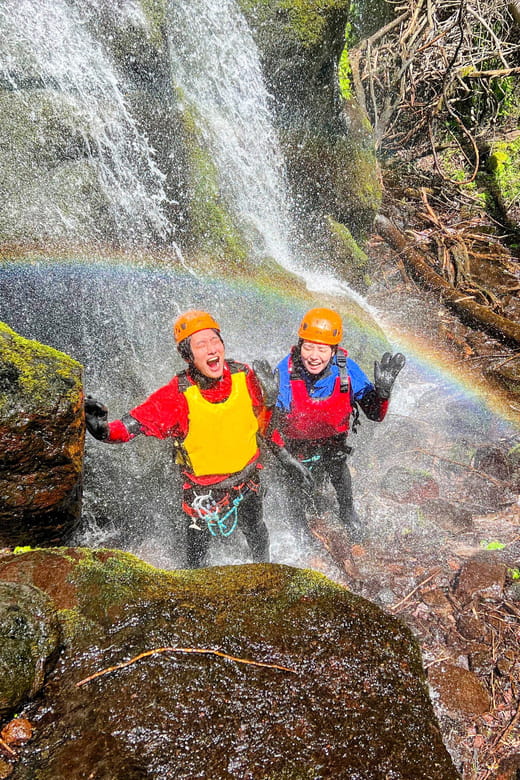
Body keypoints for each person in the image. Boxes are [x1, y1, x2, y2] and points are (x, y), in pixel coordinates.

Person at [84, 309, 306, 568]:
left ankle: (265, 571)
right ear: (187, 355)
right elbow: (132, 426)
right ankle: (193, 581)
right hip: (203, 495)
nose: (211, 349)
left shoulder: (244, 376)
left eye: (215, 341)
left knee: (257, 530)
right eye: (201, 345)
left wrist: (285, 454)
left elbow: (262, 424)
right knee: (197, 554)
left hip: (247, 482)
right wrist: (103, 431)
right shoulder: (176, 396)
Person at [267, 307, 405, 542]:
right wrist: (285, 458)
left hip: (333, 444)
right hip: (294, 447)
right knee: (293, 482)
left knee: (339, 471)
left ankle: (347, 511)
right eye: (308, 347)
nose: (314, 356)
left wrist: (382, 394)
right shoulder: (284, 373)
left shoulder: (347, 370)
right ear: (299, 346)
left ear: (333, 351)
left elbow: (374, 414)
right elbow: (267, 425)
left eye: (322, 349)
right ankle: (299, 525)